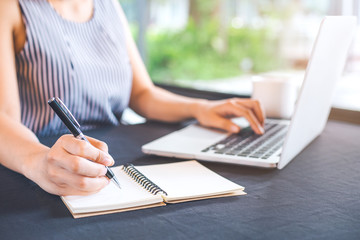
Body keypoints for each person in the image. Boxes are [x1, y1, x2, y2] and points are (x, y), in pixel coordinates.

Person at [0, 0, 265, 196]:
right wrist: (38, 162)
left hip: (112, 160)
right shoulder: (10, 6)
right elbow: (4, 120)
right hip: (44, 165)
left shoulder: (108, 5)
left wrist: (201, 108)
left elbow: (141, 93)